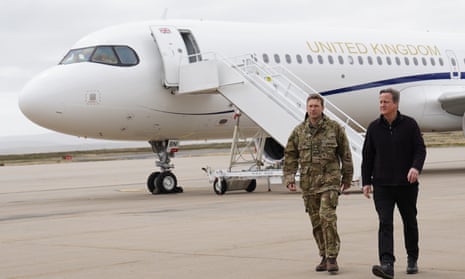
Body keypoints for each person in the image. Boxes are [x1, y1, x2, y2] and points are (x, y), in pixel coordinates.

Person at [283, 93, 353, 274]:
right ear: (307, 108)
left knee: (326, 216)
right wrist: (289, 178)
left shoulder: (334, 128)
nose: (313, 109)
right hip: (308, 184)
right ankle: (323, 255)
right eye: (310, 106)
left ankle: (332, 257)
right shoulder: (298, 131)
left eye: (316, 106)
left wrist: (347, 177)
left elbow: (345, 154)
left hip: (329, 180)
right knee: (316, 222)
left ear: (323, 108)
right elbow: (290, 156)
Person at [362, 88, 426, 279]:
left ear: (396, 104)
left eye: (386, 102)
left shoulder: (410, 125)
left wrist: (415, 168)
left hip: (406, 185)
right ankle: (387, 264)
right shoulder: (373, 127)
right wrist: (366, 182)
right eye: (380, 102)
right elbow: (368, 156)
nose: (382, 105)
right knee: (385, 223)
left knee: (409, 222)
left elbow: (420, 150)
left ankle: (412, 258)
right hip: (382, 185)